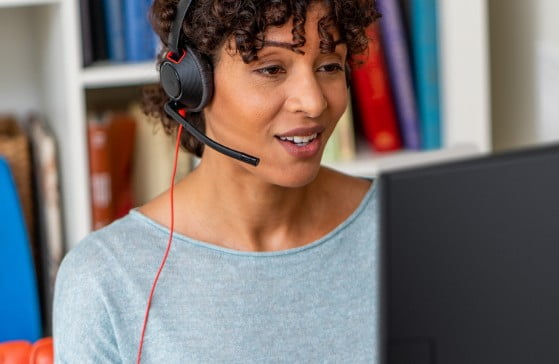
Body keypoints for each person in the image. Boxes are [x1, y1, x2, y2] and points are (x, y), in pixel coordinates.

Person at [53, 0, 381, 362]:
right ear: (193, 84)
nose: (314, 102)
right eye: (272, 69)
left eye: (330, 66)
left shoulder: (407, 225)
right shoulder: (103, 279)